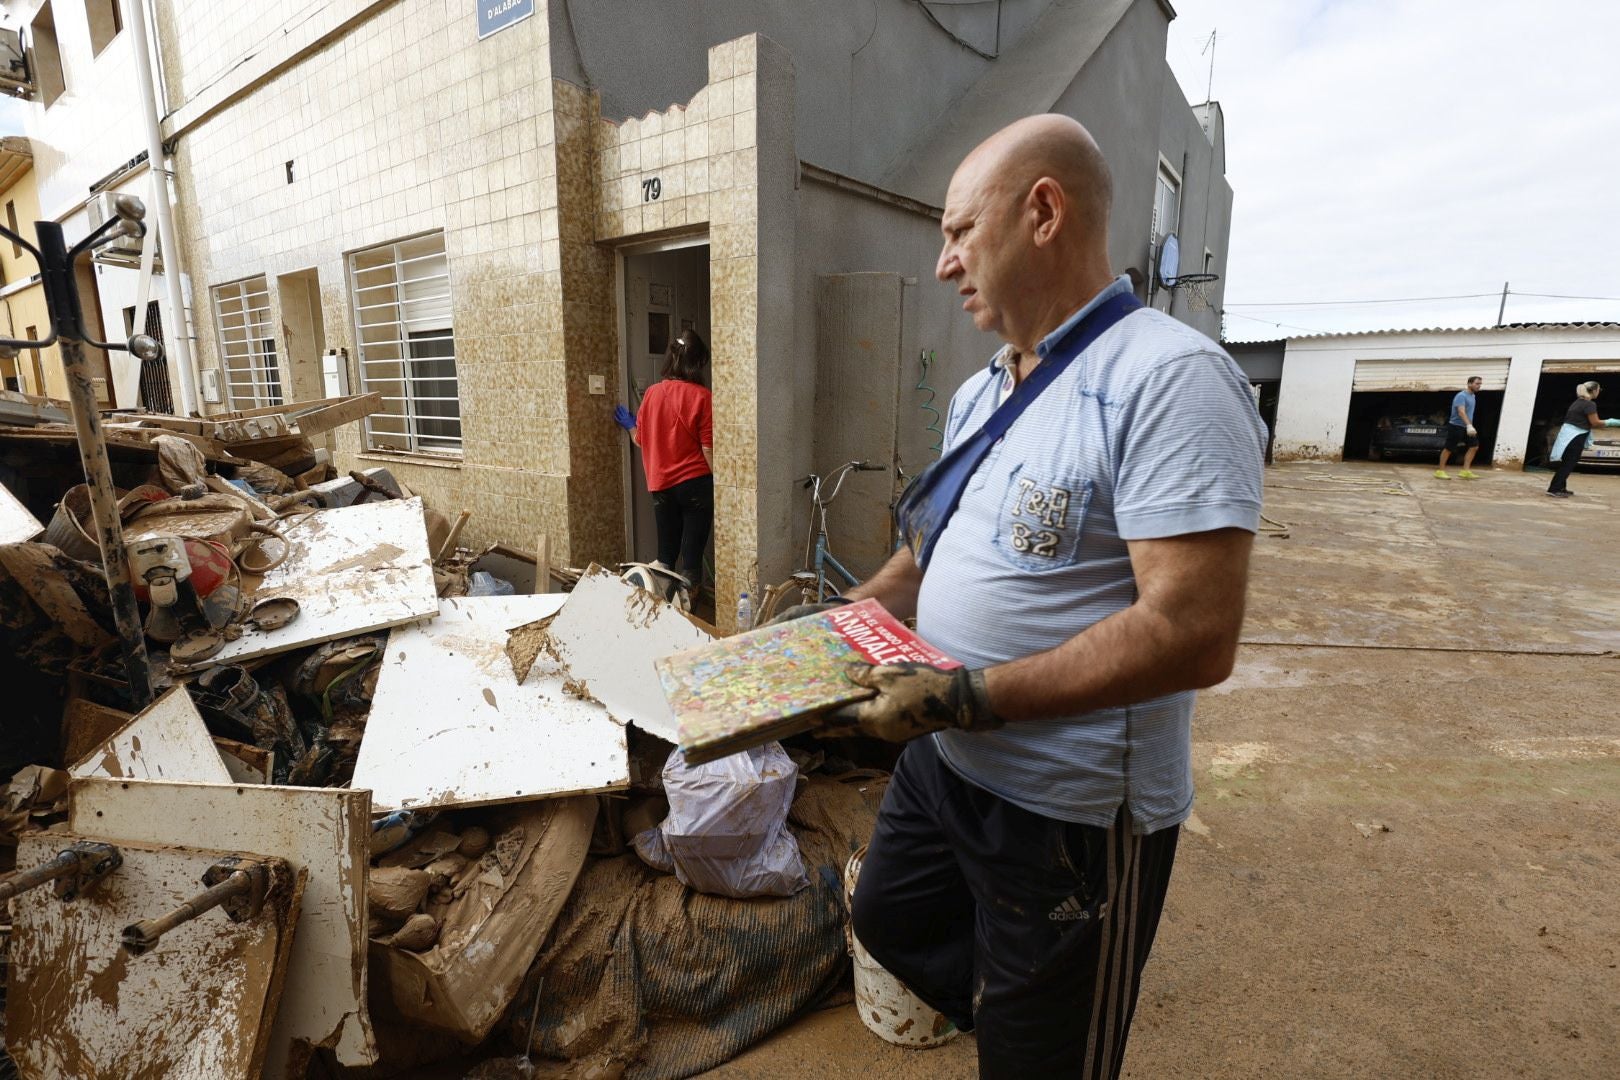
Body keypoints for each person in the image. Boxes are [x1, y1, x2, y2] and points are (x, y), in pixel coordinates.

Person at [776, 115, 1265, 1077]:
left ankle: (1051, 1027)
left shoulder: (1169, 379)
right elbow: (924, 555)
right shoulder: (983, 391)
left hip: (1072, 814)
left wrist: (970, 695)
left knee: (1045, 1058)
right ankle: (1027, 1011)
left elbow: (1194, 633)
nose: (945, 263)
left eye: (960, 231)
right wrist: (844, 623)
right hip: (949, 764)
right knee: (886, 914)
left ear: (1043, 211)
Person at [614, 330, 713, 589]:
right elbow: (708, 448)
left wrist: (629, 425)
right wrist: (722, 487)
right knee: (691, 560)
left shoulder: (653, 394)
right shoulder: (702, 396)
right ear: (698, 363)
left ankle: (662, 611)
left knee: (665, 557)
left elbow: (641, 439)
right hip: (695, 485)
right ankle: (690, 613)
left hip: (662, 486)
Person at [1546, 380, 1619, 498]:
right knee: (1568, 464)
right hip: (1576, 436)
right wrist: (1612, 422)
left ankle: (1561, 487)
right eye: (1599, 390)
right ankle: (1554, 489)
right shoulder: (1590, 404)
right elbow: (1595, 423)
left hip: (1568, 436)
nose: (1599, 392)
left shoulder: (1577, 402)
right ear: (1594, 391)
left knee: (1565, 463)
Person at [1435, 375, 1483, 479]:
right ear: (1469, 384)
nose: (1479, 386)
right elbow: (1461, 412)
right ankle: (1440, 471)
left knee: (1474, 446)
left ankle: (1465, 471)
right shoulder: (1461, 396)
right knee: (1449, 448)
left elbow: (1469, 413)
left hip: (1467, 426)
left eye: (1480, 384)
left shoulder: (1473, 396)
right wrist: (1469, 425)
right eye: (1477, 384)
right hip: (1456, 426)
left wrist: (1470, 426)